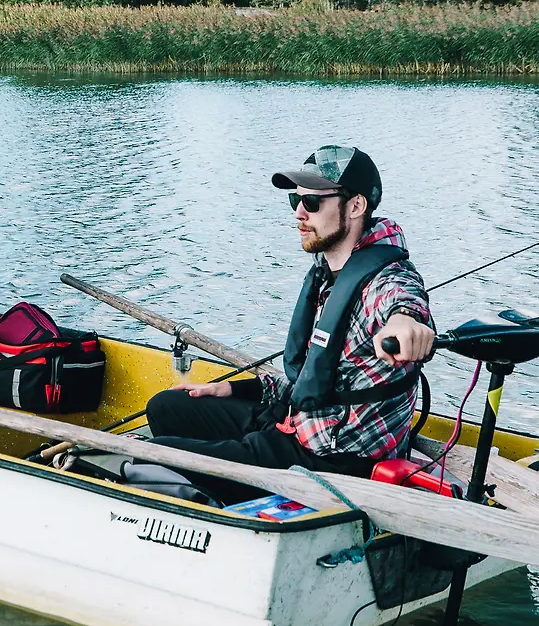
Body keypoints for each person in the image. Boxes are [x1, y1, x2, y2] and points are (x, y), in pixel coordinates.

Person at [143, 146, 435, 505]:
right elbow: (317, 379)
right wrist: (235, 389)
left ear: (356, 206)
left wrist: (406, 326)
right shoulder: (328, 273)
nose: (299, 213)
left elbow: (403, 302)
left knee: (153, 457)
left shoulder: (386, 280)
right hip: (301, 423)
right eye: (295, 200)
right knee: (167, 407)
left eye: (312, 202)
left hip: (334, 459)